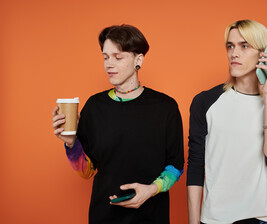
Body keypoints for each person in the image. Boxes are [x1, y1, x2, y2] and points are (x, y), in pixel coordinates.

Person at [52, 24, 184, 224]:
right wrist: (71, 143)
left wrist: (150, 190)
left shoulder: (165, 107)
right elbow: (86, 171)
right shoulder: (95, 106)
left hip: (151, 217)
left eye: (118, 57)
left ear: (138, 60)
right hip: (105, 216)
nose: (108, 64)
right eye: (105, 57)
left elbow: (175, 166)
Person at [186, 20, 267, 224]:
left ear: (265, 54)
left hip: (264, 218)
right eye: (230, 46)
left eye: (244, 46)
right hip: (216, 219)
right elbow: (195, 164)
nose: (233, 53)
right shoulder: (205, 102)